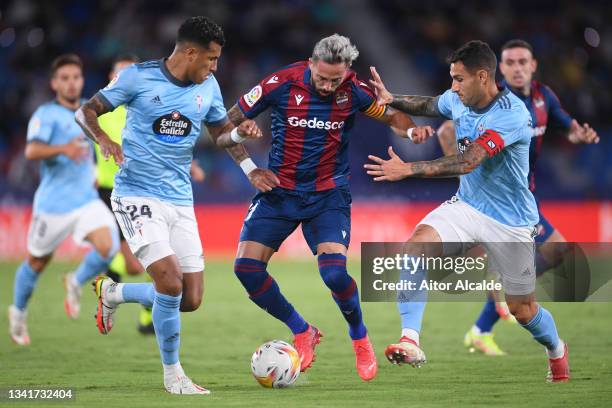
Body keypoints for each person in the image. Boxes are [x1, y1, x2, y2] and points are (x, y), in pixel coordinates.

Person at [224, 34, 434, 382]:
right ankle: (303, 330)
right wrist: (250, 168)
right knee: (246, 269)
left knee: (335, 274)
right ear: (310, 63)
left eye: (334, 80)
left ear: (346, 71)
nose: (326, 85)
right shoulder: (281, 83)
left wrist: (412, 134)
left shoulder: (355, 90)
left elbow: (394, 119)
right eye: (321, 78)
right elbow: (226, 122)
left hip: (327, 195)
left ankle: (360, 337)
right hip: (279, 192)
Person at [75, 16, 262, 395]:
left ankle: (114, 293)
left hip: (179, 199)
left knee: (190, 298)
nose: (214, 67)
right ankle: (173, 375)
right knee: (170, 281)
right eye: (210, 59)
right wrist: (104, 142)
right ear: (190, 53)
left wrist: (248, 161)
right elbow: (87, 111)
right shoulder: (137, 78)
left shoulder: (207, 86)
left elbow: (221, 134)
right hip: (135, 195)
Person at [365, 40, 570, 382]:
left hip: (511, 222)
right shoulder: (458, 99)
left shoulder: (511, 113)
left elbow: (468, 161)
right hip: (468, 206)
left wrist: (409, 169)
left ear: (483, 76)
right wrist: (392, 98)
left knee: (523, 310)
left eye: (459, 79)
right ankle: (410, 339)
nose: (453, 87)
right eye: (451, 78)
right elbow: (432, 104)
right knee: (415, 247)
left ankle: (556, 350)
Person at [437, 39, 599, 356]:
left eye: (523, 62)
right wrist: (466, 177)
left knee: (557, 252)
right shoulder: (493, 102)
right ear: (497, 70)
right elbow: (446, 131)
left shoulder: (543, 97)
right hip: (502, 200)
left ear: (533, 65)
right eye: (510, 63)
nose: (517, 68)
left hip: (525, 195)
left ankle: (481, 327)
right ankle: (489, 315)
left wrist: (575, 134)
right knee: (554, 251)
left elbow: (565, 125)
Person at [9, 54, 120, 345]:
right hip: (53, 205)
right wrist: (62, 149)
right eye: (65, 78)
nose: (71, 84)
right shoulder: (46, 115)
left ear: (82, 80)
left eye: (76, 77)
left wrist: (95, 169)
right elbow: (31, 151)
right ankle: (18, 313)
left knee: (109, 246)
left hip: (85, 201)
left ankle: (74, 280)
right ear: (54, 83)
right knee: (36, 262)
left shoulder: (88, 112)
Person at [95, 54, 207, 334]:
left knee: (173, 281)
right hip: (118, 192)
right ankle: (111, 280)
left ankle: (125, 300)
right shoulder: (107, 114)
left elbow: (165, 144)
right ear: (111, 77)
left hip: (158, 192)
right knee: (141, 267)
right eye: (118, 73)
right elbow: (90, 140)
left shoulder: (145, 106)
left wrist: (189, 164)